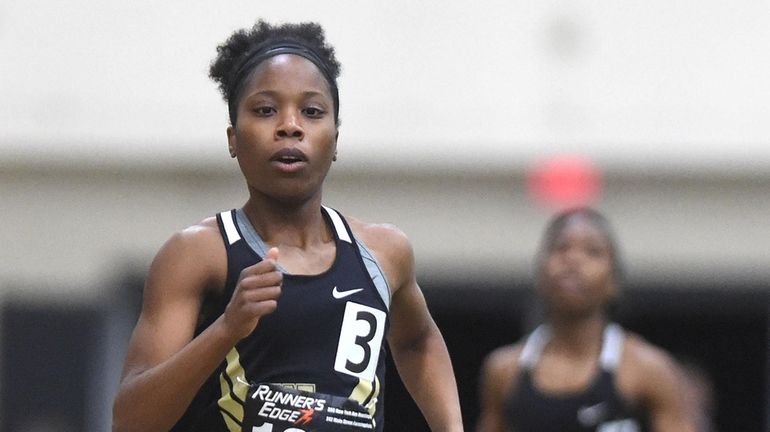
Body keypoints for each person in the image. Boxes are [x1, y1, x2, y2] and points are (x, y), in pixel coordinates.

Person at [112, 20, 463, 432]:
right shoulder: (198, 253)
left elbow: (416, 340)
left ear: (336, 139)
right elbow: (131, 421)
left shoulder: (384, 252)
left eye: (312, 112)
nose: (290, 126)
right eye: (265, 110)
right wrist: (227, 327)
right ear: (232, 139)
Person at [476, 207, 696, 432]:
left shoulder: (648, 369)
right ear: (540, 273)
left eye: (593, 251)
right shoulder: (504, 372)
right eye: (561, 248)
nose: (572, 260)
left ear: (614, 283)